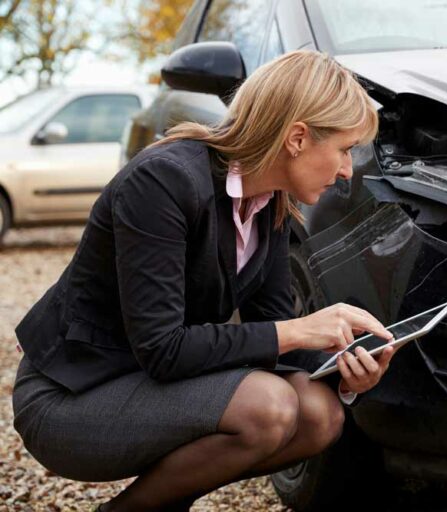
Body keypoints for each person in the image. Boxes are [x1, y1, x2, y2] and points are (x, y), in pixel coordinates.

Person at [12, 50, 396, 511]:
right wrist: (296, 330)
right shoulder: (163, 182)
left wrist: (349, 367)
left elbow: (276, 334)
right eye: (344, 149)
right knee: (268, 406)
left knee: (319, 415)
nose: (347, 171)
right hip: (73, 398)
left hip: (160, 391)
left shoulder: (270, 206)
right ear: (297, 138)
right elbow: (163, 349)